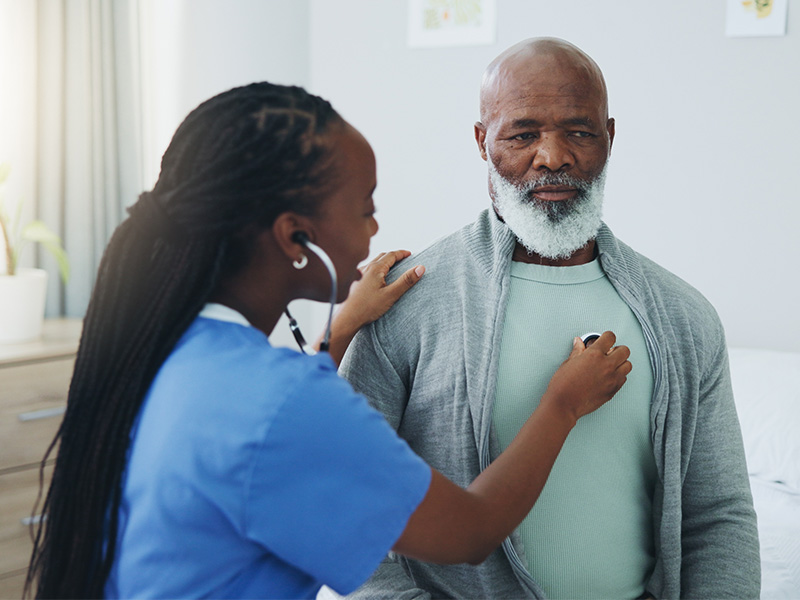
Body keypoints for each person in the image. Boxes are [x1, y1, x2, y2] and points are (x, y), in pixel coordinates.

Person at [24, 82, 632, 600]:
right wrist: (561, 404)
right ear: (296, 239)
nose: (374, 226)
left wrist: (338, 332)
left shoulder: (161, 352)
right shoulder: (282, 407)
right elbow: (469, 533)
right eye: (365, 208)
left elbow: (265, 444)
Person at [339, 38, 760, 599]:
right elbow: (347, 499)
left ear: (610, 138)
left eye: (580, 132)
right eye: (523, 134)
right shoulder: (407, 303)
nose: (554, 156)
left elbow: (718, 514)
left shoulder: (683, 317)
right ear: (481, 141)